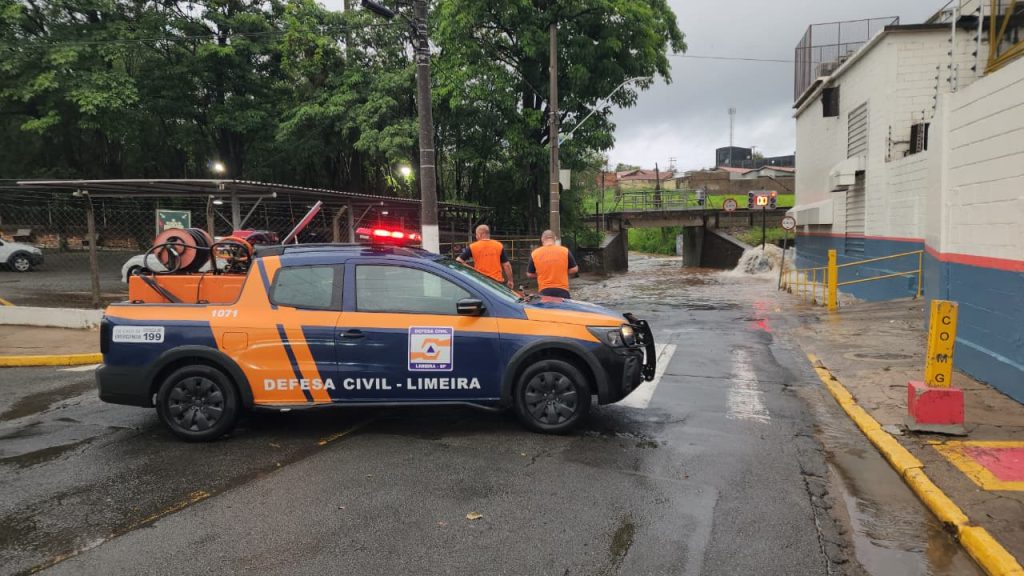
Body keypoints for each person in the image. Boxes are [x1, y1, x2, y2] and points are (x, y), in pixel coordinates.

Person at [456, 224, 514, 288]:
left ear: (480, 234)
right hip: (497, 282)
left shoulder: (473, 247)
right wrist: (510, 280)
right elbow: (506, 265)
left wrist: (472, 269)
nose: (476, 237)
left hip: (481, 282)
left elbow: (458, 260)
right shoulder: (498, 245)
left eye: (476, 234)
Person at [527, 230, 579, 299]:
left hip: (544, 291)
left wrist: (542, 274)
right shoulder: (565, 251)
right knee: (564, 306)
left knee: (547, 306)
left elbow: (529, 274)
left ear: (542, 239)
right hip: (562, 290)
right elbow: (574, 269)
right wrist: (561, 272)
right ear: (555, 239)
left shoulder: (535, 253)